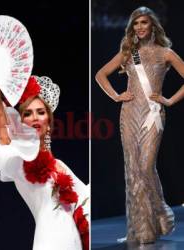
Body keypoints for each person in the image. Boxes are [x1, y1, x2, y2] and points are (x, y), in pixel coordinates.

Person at [95, 6, 184, 244]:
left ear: (152, 25)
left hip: (153, 115)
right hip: (129, 113)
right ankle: (142, 231)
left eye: (144, 22)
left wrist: (169, 100)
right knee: (133, 172)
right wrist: (116, 95)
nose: (140, 27)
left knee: (145, 167)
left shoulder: (166, 53)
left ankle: (163, 212)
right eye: (136, 23)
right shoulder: (130, 53)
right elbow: (100, 74)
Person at [0, 63, 90, 250]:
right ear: (20, 123)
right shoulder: (20, 157)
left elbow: (83, 202)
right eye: (28, 114)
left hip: (74, 239)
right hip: (50, 240)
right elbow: (3, 133)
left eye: (41, 112)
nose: (35, 117)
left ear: (49, 121)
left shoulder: (58, 164)